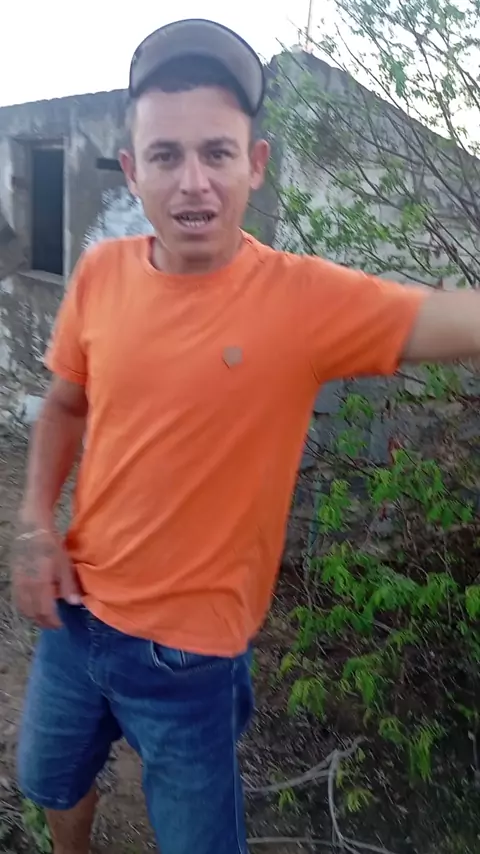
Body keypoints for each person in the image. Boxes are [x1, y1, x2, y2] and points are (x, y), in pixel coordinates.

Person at [10, 16, 480, 854]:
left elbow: (449, 319)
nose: (193, 182)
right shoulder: (102, 273)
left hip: (193, 660)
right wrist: (35, 523)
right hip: (75, 614)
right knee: (52, 780)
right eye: (166, 155)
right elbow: (67, 403)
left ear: (254, 164)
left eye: (217, 153)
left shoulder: (302, 302)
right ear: (132, 169)